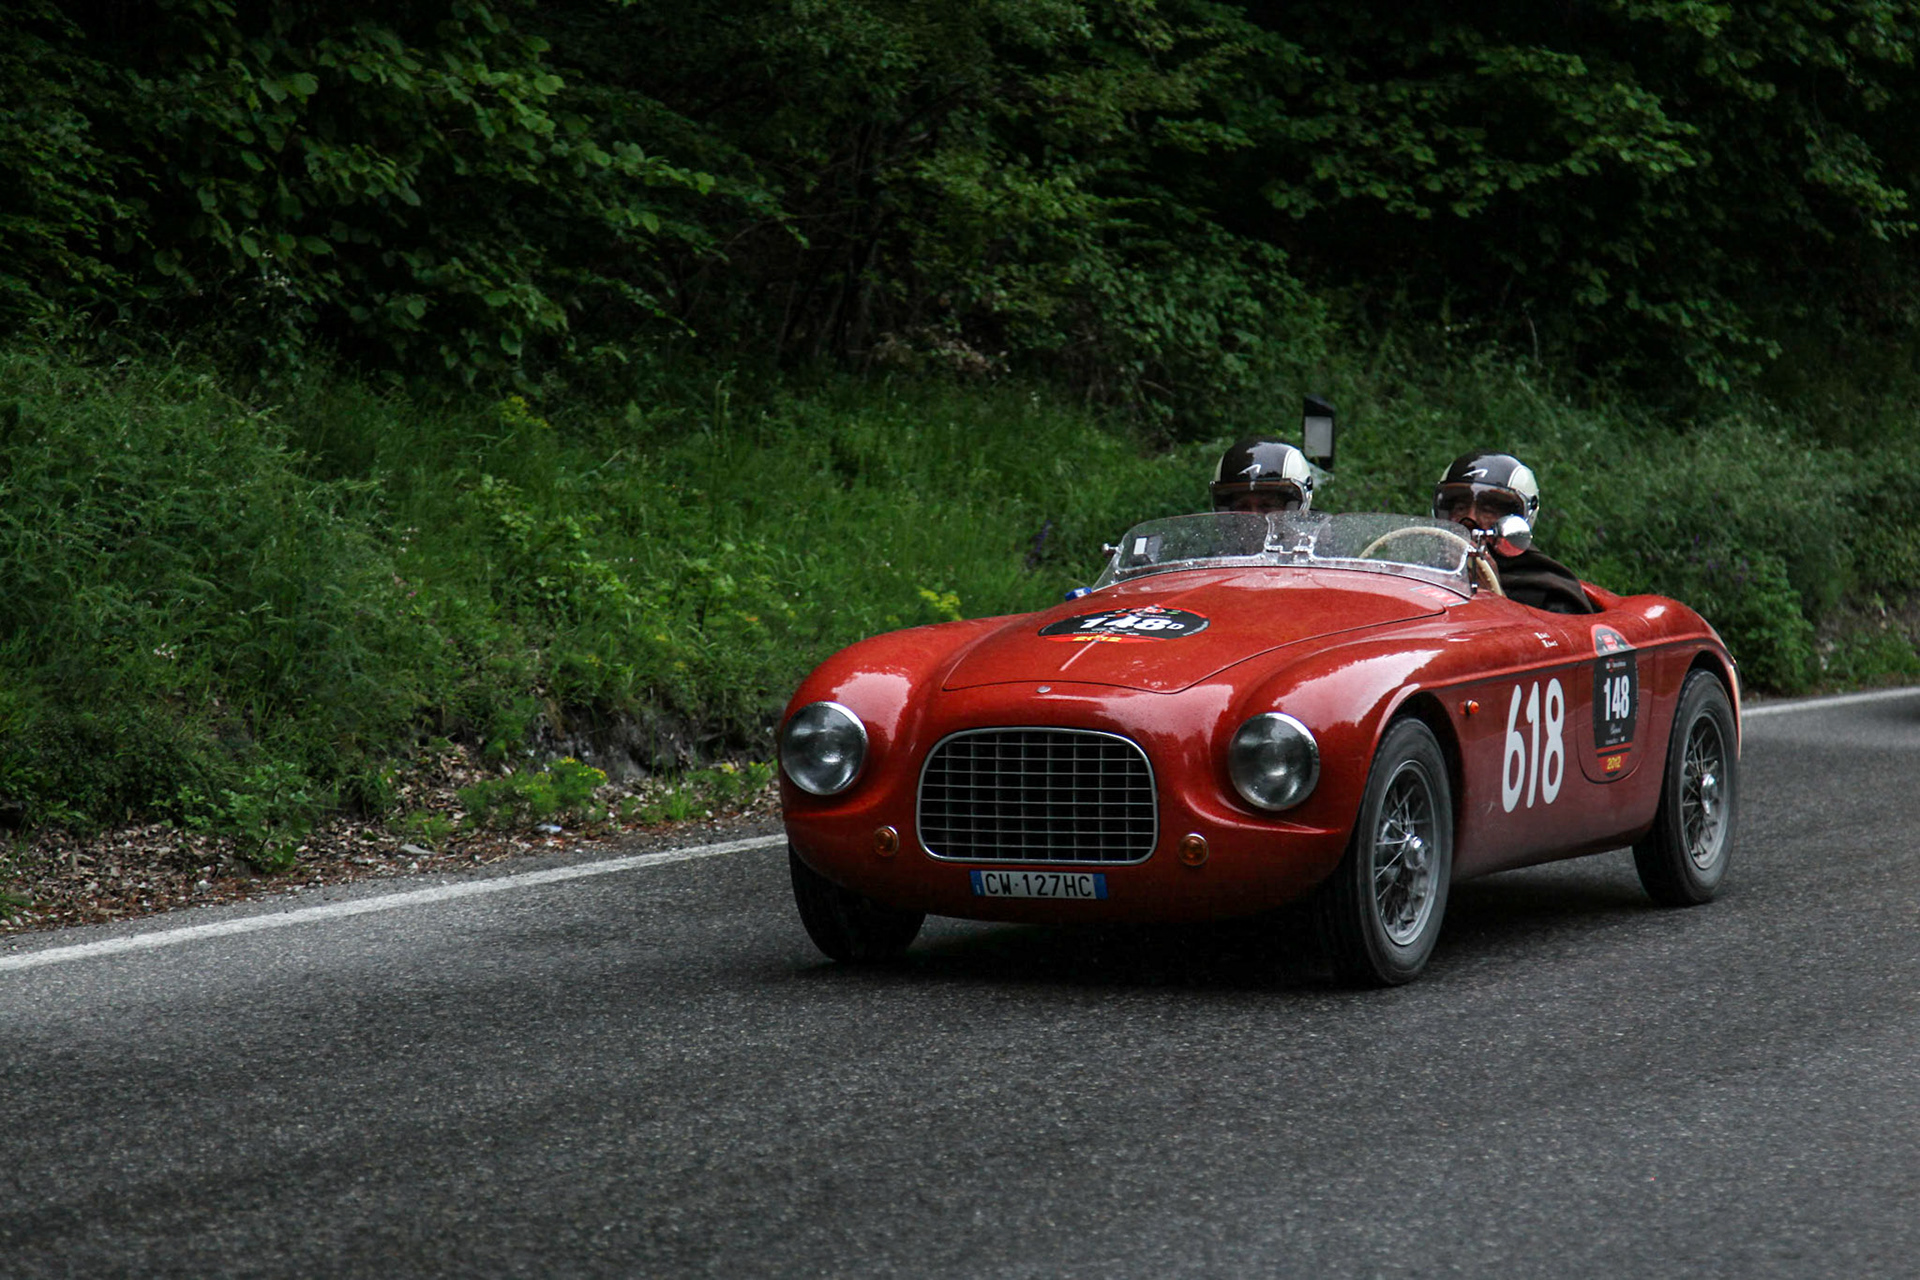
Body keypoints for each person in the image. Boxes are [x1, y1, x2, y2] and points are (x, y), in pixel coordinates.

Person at [1432, 451, 1596, 614]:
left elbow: (1546, 637)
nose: (1470, 519)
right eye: (1460, 508)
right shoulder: (1427, 572)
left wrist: (1493, 590)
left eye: (1488, 510)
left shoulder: (1550, 592)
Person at [1210, 437, 1315, 514]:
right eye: (1243, 507)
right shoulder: (1215, 544)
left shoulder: (1320, 543)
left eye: (1266, 506)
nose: (1254, 517)